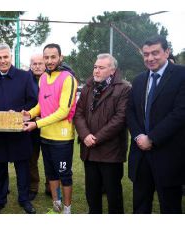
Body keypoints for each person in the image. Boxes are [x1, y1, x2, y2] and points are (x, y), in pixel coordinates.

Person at [0, 42, 37, 214]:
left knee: (22, 168)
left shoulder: (24, 77)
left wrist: (18, 113)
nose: (3, 61)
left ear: (11, 57)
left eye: (6, 57)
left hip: (19, 132)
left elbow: (32, 101)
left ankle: (24, 200)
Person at [127, 35, 185, 213]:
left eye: (155, 53)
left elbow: (180, 113)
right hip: (140, 155)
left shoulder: (181, 75)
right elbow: (130, 112)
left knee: (170, 207)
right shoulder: (138, 81)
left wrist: (152, 138)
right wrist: (138, 136)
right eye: (146, 54)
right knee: (140, 205)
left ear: (167, 52)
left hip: (168, 155)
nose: (150, 58)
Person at [23, 43, 78, 214]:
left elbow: (64, 111)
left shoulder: (68, 78)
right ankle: (56, 205)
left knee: (64, 174)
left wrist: (37, 124)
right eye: (46, 57)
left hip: (62, 139)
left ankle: (67, 210)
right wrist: (29, 114)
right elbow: (41, 104)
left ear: (60, 57)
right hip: (45, 136)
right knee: (51, 174)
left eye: (53, 57)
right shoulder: (43, 78)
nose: (49, 60)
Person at [74, 53, 130, 214]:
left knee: (113, 194)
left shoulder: (124, 88)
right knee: (92, 192)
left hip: (110, 152)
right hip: (89, 150)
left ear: (112, 71)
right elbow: (78, 113)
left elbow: (120, 118)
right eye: (95, 67)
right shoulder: (88, 87)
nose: (96, 71)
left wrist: (96, 138)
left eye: (101, 68)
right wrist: (85, 135)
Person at [28, 53, 50, 201]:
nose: (37, 66)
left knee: (49, 158)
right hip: (31, 126)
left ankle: (51, 186)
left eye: (40, 63)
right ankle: (33, 187)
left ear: (45, 64)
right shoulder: (24, 80)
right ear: (30, 65)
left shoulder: (52, 79)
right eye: (34, 63)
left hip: (49, 125)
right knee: (31, 159)